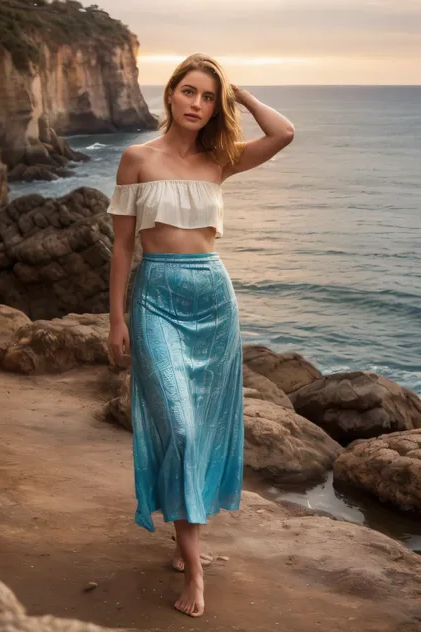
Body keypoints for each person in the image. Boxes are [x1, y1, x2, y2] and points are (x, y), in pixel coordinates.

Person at [106, 52, 294, 618]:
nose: (197, 103)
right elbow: (121, 247)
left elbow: (284, 132)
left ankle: (183, 532)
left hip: (213, 300)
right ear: (170, 95)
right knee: (182, 430)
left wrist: (241, 95)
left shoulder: (222, 160)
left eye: (209, 97)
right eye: (189, 91)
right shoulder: (136, 159)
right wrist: (115, 318)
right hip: (156, 298)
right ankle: (194, 569)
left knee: (204, 427)